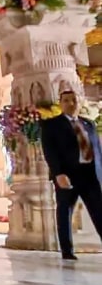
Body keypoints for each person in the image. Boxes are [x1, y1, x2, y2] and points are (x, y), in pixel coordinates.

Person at [40, 90, 102, 260]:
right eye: (66, 100)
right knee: (65, 212)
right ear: (61, 103)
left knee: (99, 210)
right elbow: (50, 152)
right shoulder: (51, 125)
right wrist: (58, 173)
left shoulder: (89, 124)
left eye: (73, 100)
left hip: (90, 175)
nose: (71, 103)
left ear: (79, 102)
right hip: (68, 175)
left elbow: (97, 149)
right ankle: (67, 251)